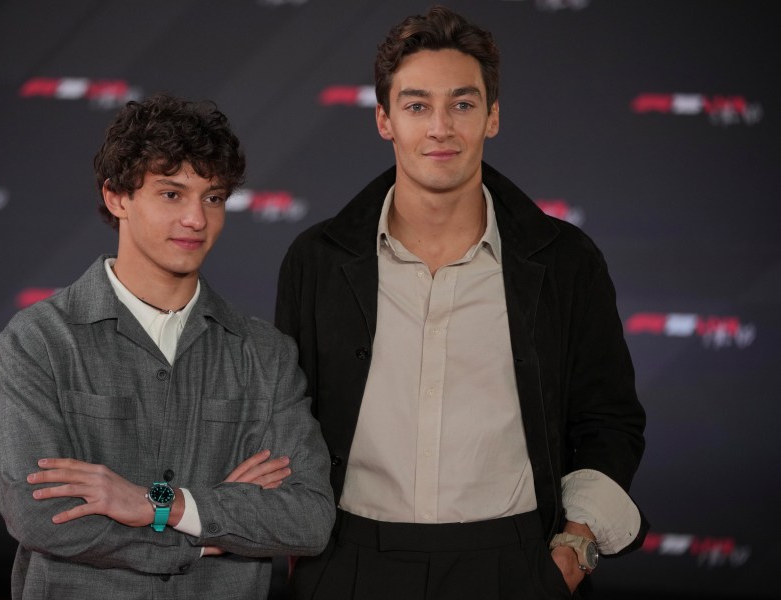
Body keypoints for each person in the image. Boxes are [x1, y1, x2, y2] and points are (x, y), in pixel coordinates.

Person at [275, 6, 647, 599]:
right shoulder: (316, 260)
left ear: (492, 117)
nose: (440, 127)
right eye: (417, 105)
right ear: (384, 120)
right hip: (347, 566)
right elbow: (285, 422)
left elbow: (609, 420)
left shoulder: (565, 260)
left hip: (513, 565)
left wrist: (572, 550)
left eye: (463, 104)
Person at [0, 93, 335, 599]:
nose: (197, 219)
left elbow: (308, 518)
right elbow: (40, 514)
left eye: (213, 197)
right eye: (172, 194)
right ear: (117, 197)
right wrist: (206, 532)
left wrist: (161, 502)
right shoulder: (39, 340)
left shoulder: (264, 353)